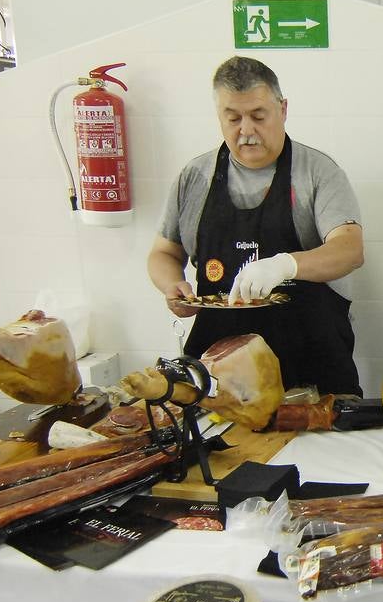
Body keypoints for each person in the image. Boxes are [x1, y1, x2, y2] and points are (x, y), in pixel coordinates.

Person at [147, 56, 365, 395]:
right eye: (233, 118)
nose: (246, 130)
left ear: (283, 109)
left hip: (309, 371)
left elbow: (349, 249)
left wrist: (285, 264)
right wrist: (172, 285)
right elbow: (163, 251)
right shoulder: (194, 177)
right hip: (221, 376)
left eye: (258, 116)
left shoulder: (317, 172)